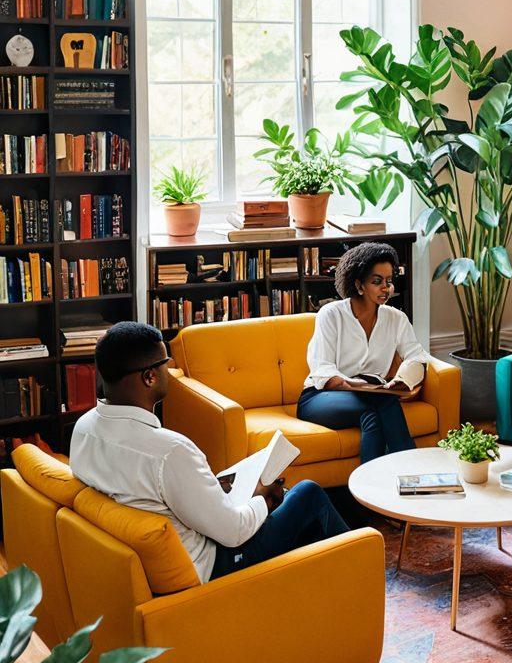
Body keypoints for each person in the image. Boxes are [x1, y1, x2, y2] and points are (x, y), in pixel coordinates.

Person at [69, 321, 349, 584]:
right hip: (215, 565)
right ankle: (358, 574)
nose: (170, 370)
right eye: (166, 364)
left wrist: (212, 488)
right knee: (307, 495)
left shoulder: (84, 429)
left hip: (161, 554)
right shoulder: (169, 451)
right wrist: (264, 498)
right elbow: (234, 532)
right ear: (150, 377)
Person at [298, 241, 428, 463]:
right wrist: (350, 384)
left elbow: (417, 356)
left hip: (371, 394)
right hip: (320, 398)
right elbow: (321, 368)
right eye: (377, 281)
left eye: (389, 281)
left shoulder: (396, 318)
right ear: (359, 284)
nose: (386, 288)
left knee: (372, 416)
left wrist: (402, 379)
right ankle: (411, 470)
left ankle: (369, 490)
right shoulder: (331, 314)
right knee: (384, 403)